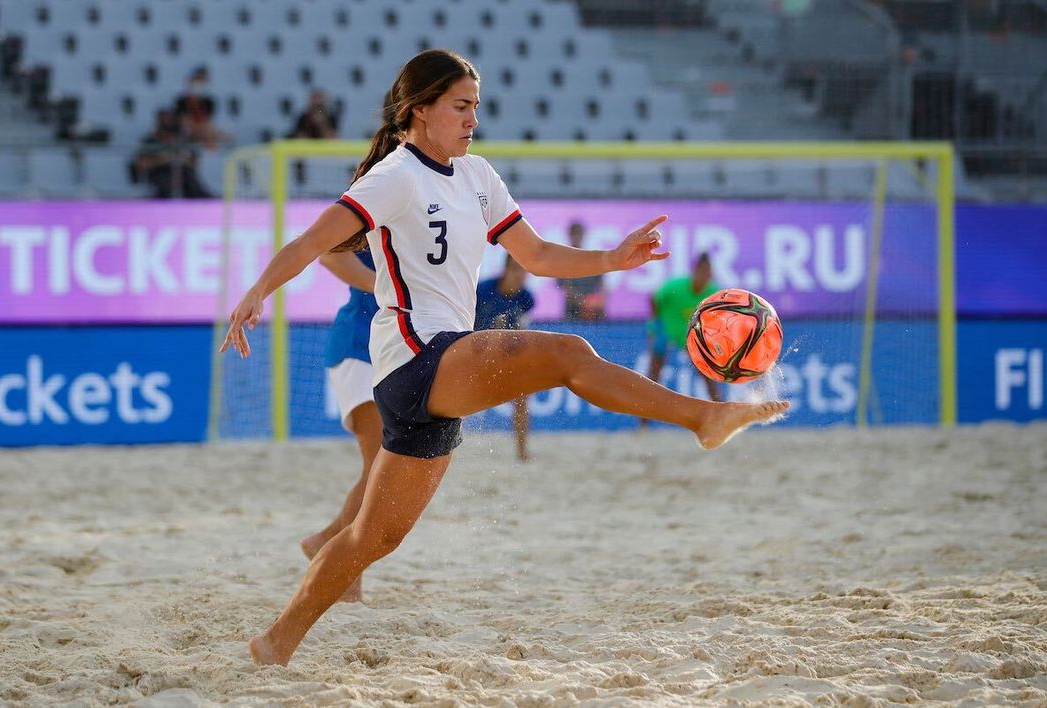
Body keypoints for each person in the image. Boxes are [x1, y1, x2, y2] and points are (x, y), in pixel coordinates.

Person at [220, 49, 788, 667]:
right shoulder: (394, 176)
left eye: (476, 107)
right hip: (415, 355)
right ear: (420, 109)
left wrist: (611, 259)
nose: (473, 119)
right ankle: (703, 418)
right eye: (460, 107)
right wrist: (256, 293)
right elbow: (312, 241)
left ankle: (275, 642)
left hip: (435, 373)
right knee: (568, 353)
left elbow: (536, 255)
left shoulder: (477, 175)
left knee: (370, 539)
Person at [298, 248, 379, 603]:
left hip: (394, 350)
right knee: (379, 467)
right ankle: (345, 573)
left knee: (391, 468)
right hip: (358, 348)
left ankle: (327, 541)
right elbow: (330, 256)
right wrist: (388, 287)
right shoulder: (374, 215)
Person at [642, 253, 722, 428]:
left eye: (709, 272)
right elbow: (654, 298)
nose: (706, 275)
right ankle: (643, 422)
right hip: (666, 328)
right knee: (654, 374)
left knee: (706, 371)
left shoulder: (713, 292)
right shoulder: (676, 286)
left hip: (689, 332)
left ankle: (720, 415)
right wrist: (655, 324)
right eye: (704, 271)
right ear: (695, 270)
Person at [474, 255, 536, 461]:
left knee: (523, 396)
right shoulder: (482, 291)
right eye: (516, 270)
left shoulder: (526, 298)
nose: (521, 275)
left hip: (504, 353)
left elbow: (521, 332)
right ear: (505, 271)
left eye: (524, 271)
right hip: (473, 350)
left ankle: (522, 451)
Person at [132, 109, 211, 199]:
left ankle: (207, 202)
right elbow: (141, 164)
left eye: (170, 120)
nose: (167, 123)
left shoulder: (179, 140)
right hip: (158, 173)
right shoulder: (149, 141)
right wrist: (163, 159)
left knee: (190, 180)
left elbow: (193, 163)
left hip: (182, 172)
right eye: (164, 121)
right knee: (167, 182)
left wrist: (180, 159)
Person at [559, 220, 606, 321]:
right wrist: (584, 303)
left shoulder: (592, 259)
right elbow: (565, 288)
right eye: (574, 234)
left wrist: (597, 302)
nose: (576, 237)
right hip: (573, 310)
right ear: (569, 235)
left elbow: (602, 287)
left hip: (593, 309)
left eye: (578, 233)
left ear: (583, 235)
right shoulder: (563, 261)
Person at [173, 66, 229, 150]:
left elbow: (208, 123)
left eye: (202, 82)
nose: (198, 85)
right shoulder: (181, 101)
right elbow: (184, 123)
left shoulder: (209, 102)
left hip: (203, 132)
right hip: (188, 134)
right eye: (197, 81)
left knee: (225, 137)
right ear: (189, 82)